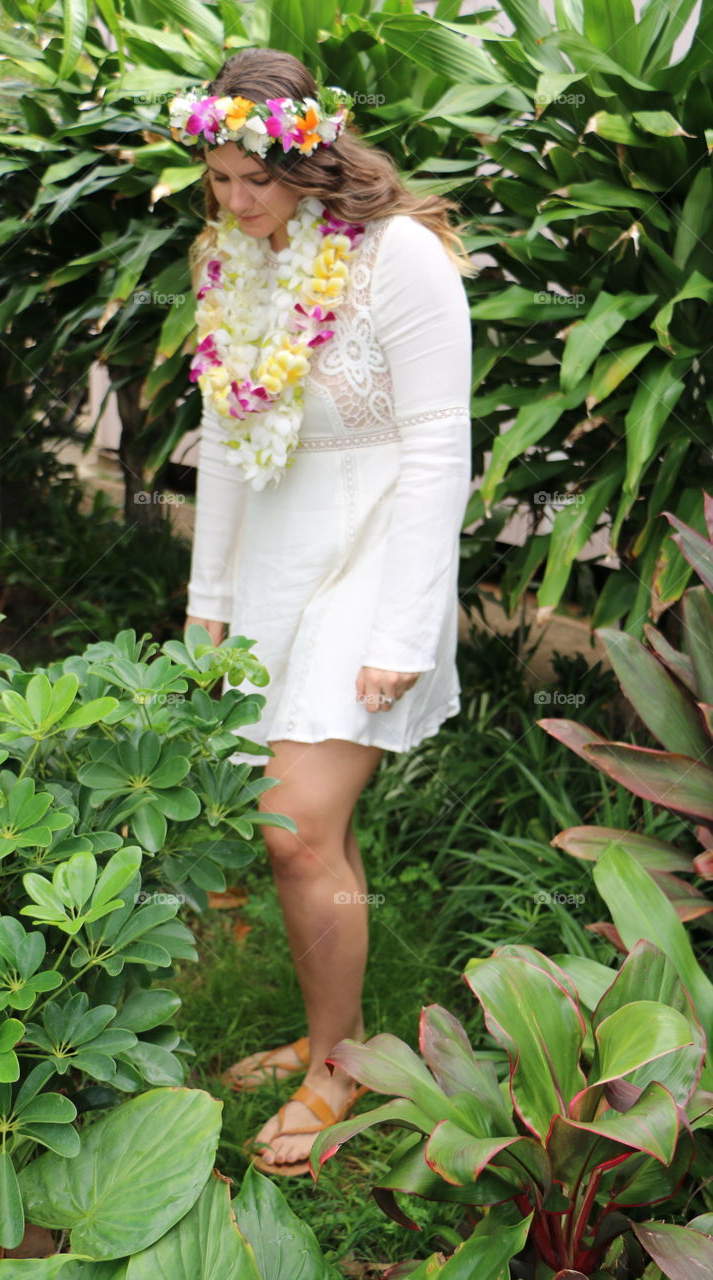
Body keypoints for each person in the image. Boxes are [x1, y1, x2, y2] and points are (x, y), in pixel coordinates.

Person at [170, 47, 474, 1176]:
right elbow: (225, 444)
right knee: (307, 834)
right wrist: (207, 605)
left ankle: (338, 1068)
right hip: (279, 561)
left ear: (311, 159)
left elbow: (439, 445)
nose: (235, 201)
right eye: (218, 180)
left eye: (255, 179)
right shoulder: (229, 260)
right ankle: (327, 1035)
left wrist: (402, 629)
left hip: (379, 556)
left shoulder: (400, 256)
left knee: (292, 825)